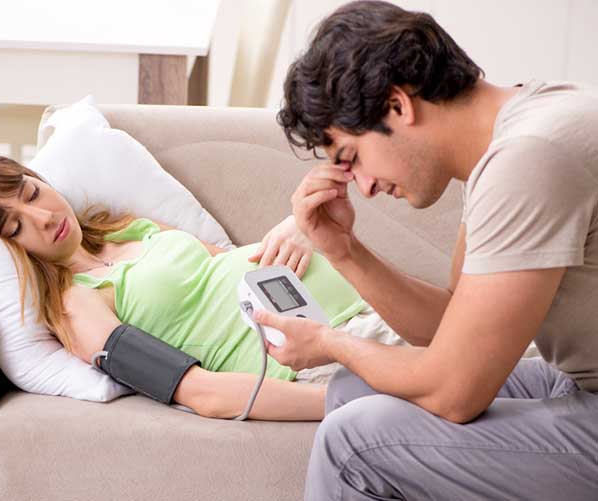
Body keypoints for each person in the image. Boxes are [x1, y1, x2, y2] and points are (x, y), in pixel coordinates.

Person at [252, 0, 598, 498]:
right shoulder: (510, 140)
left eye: (353, 158)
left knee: (353, 444)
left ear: (398, 105)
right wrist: (345, 250)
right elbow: (450, 329)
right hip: (581, 386)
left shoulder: (530, 159)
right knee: (353, 394)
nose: (364, 188)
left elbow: (455, 391)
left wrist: (330, 343)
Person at [0, 152, 381, 422]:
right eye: (15, 229)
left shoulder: (124, 227)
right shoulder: (76, 304)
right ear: (7, 251)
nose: (44, 216)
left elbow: (234, 264)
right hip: (334, 358)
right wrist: (340, 403)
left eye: (32, 193)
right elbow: (200, 392)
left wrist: (297, 231)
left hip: (370, 305)